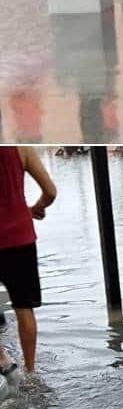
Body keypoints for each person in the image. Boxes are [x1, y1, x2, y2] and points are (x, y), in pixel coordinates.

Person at [0, 146, 56, 379]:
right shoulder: (20, 147)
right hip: (20, 239)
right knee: (24, 308)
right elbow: (50, 191)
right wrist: (36, 208)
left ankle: (1, 357)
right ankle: (30, 371)